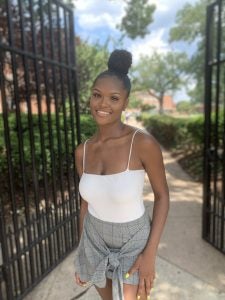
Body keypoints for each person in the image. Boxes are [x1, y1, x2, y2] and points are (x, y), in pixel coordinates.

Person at [74, 49, 169, 300]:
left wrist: (150, 254)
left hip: (133, 239)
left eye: (114, 98)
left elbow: (162, 196)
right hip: (94, 236)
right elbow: (86, 204)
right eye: (97, 95)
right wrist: (82, 250)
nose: (103, 104)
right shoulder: (82, 151)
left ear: (125, 102)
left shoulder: (142, 143)